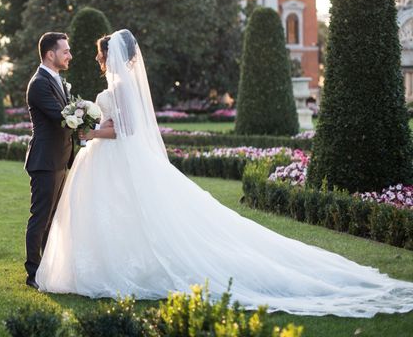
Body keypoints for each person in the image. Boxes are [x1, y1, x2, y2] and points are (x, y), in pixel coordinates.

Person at [35, 29, 413, 317]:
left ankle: (126, 267)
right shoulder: (120, 84)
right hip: (112, 160)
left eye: (100, 53)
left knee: (128, 214)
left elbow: (126, 128)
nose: (97, 57)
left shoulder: (118, 87)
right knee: (123, 215)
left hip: (115, 157)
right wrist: (91, 130)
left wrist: (89, 131)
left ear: (111, 55)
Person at [23, 32, 76, 290]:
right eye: (65, 51)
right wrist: (89, 119)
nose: (69, 56)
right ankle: (33, 272)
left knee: (53, 218)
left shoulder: (56, 79)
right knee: (41, 218)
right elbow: (60, 116)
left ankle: (48, 268)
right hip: (45, 160)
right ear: (50, 54)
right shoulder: (39, 83)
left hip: (59, 158)